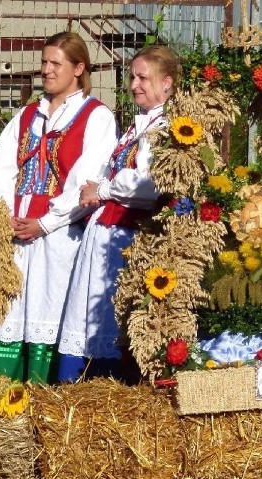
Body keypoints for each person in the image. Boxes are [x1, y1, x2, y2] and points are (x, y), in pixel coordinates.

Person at [0, 31, 118, 384]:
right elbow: (1, 171)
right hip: (16, 229)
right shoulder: (28, 116)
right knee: (9, 306)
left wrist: (45, 222)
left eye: (55, 63)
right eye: (44, 62)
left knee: (52, 306)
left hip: (61, 233)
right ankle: (3, 392)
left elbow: (86, 179)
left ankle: (45, 392)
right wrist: (2, 217)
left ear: (78, 68)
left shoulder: (96, 116)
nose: (46, 70)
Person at [55, 45, 181, 383]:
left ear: (167, 83)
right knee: (86, 314)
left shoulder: (167, 127)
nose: (134, 84)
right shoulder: (140, 124)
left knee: (107, 313)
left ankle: (106, 381)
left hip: (125, 237)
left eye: (143, 78)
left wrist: (105, 189)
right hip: (106, 232)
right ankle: (74, 385)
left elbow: (151, 183)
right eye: (132, 77)